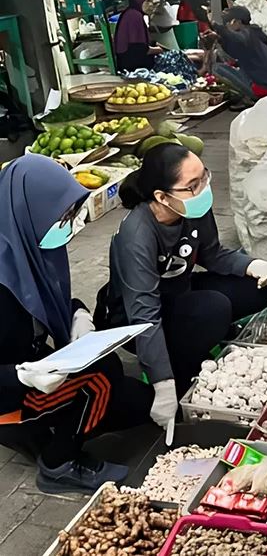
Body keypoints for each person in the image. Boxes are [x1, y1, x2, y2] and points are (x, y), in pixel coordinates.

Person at [96, 143, 267, 434]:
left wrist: (255, 266)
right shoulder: (137, 235)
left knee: (259, 287)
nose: (204, 189)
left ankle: (198, 332)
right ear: (161, 196)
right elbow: (144, 316)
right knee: (213, 309)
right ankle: (182, 364)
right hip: (132, 318)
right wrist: (163, 383)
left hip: (177, 292)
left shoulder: (192, 208)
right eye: (193, 185)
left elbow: (213, 254)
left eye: (204, 177)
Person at [0, 155, 154, 494]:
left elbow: (50, 299)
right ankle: (58, 465)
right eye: (61, 217)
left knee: (139, 402)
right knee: (99, 381)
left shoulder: (31, 245)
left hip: (41, 371)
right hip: (7, 397)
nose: (67, 226)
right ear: (32, 211)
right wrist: (22, 375)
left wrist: (78, 315)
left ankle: (55, 427)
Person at [202, 6, 267, 108]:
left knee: (217, 68)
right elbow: (233, 48)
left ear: (236, 22)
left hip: (264, 88)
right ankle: (248, 94)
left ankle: (249, 97)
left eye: (228, 23)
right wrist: (218, 37)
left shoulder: (246, 35)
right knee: (226, 60)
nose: (227, 26)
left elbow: (232, 37)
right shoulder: (253, 32)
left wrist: (215, 24)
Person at [114, 0, 163, 71]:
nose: (151, 4)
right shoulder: (134, 16)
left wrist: (160, 46)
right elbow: (140, 50)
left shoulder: (133, 13)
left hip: (131, 60)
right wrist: (160, 50)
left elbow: (145, 42)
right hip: (131, 65)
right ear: (139, 1)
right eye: (148, 1)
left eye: (152, 1)